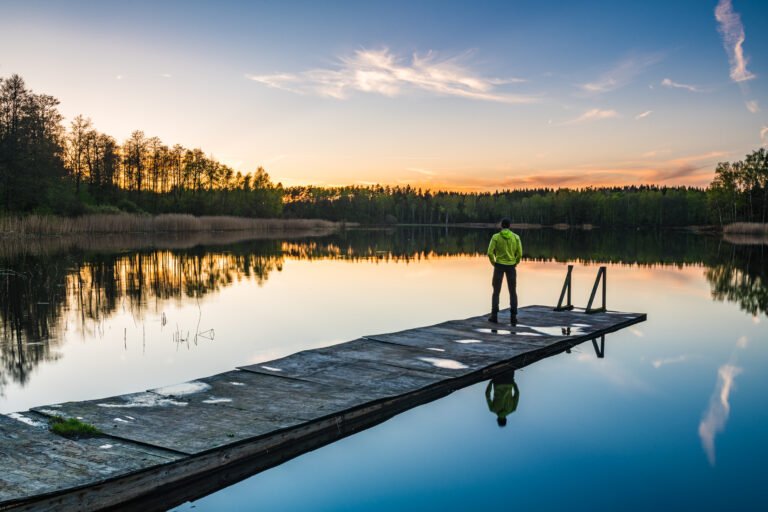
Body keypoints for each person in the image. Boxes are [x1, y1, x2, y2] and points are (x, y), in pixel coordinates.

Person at [487, 218, 522, 325]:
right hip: (511, 266)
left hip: (499, 266)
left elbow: (489, 252)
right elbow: (520, 253)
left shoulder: (496, 237)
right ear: (510, 226)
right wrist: (515, 262)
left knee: (496, 292)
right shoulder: (516, 237)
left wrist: (494, 263)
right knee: (513, 292)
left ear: (501, 226)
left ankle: (494, 316)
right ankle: (513, 317)